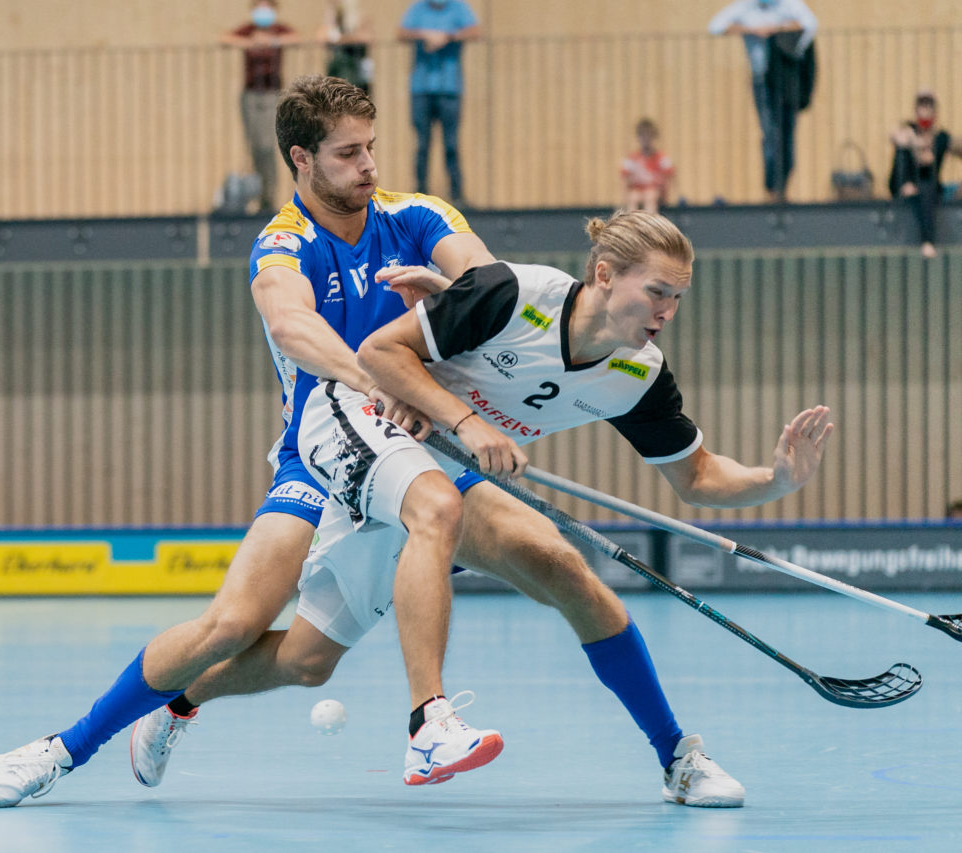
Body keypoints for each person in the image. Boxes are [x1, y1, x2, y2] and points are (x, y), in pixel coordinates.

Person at [125, 210, 836, 806]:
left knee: (325, 654)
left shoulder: (637, 374)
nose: (667, 313)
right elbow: (381, 354)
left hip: (449, 473)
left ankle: (677, 757)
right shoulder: (516, 292)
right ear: (604, 274)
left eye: (677, 298)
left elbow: (699, 477)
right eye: (656, 292)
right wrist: (467, 423)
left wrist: (775, 478)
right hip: (383, 438)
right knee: (313, 630)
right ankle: (427, 724)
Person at [0, 74, 497, 807]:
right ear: (301, 160)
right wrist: (376, 380)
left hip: (410, 450)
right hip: (320, 457)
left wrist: (456, 297)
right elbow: (291, 323)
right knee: (233, 623)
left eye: (371, 147)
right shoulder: (282, 244)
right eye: (348, 153)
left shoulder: (416, 215)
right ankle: (62, 749)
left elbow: (490, 283)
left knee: (309, 662)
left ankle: (181, 703)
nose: (369, 165)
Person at [709, 0, 818, 203]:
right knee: (770, 133)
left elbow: (810, 24)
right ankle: (772, 189)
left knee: (787, 133)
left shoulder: (787, 5)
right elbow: (715, 26)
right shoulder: (746, 6)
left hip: (785, 78)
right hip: (762, 81)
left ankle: (782, 188)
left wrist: (776, 29)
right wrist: (751, 30)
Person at [221, 1, 301, 215]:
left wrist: (272, 41)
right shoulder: (248, 30)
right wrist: (250, 43)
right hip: (251, 93)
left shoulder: (278, 29)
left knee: (267, 146)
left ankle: (268, 197)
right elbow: (225, 38)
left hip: (272, 93)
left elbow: (296, 38)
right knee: (255, 147)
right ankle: (258, 194)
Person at [398, 0, 480, 207]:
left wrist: (448, 37)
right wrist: (424, 34)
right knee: (422, 144)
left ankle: (457, 195)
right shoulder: (418, 7)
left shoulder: (458, 7)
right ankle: (420, 194)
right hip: (421, 89)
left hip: (450, 89)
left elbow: (475, 31)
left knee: (451, 144)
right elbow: (401, 33)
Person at [889, 90, 962, 259]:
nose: (925, 111)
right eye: (922, 106)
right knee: (905, 156)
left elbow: (955, 146)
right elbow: (896, 136)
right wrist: (916, 144)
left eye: (929, 106)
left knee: (927, 183)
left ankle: (928, 241)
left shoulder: (940, 137)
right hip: (905, 185)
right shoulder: (908, 131)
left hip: (930, 189)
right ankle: (927, 241)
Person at [621, 118, 676, 213]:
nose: (646, 140)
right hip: (638, 191)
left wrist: (666, 196)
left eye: (648, 136)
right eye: (642, 136)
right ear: (638, 137)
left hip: (655, 193)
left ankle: (650, 221)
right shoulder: (632, 159)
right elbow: (625, 180)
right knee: (633, 197)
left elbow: (669, 178)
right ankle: (632, 222)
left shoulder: (662, 158)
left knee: (650, 195)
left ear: (653, 137)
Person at [320, 0, 373, 94]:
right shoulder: (333, 19)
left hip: (356, 69)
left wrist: (340, 39)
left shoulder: (360, 17)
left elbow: (367, 38)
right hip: (337, 69)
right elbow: (322, 38)